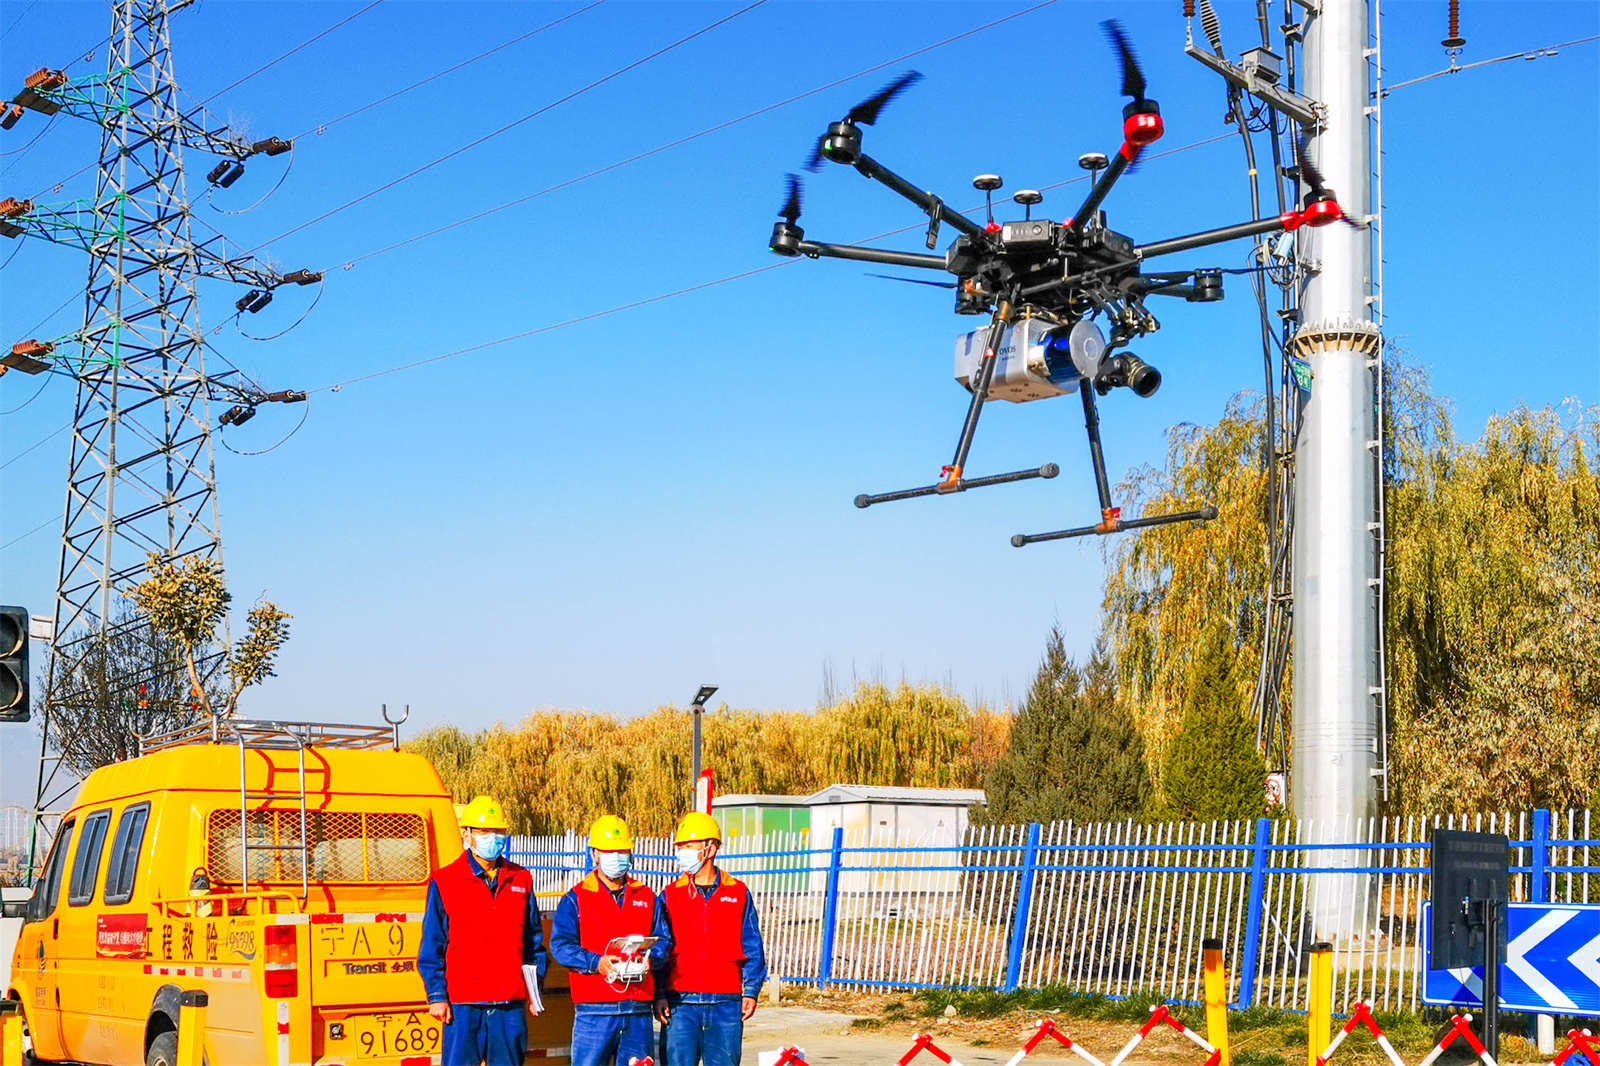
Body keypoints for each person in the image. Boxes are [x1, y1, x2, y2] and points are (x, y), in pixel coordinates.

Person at [419, 795, 547, 1066]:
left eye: (498, 831)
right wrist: (437, 996)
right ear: (467, 834)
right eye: (484, 831)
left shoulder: (520, 879)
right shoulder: (445, 881)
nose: (493, 837)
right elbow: (433, 946)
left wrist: (534, 992)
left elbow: (533, 943)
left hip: (508, 1004)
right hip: (464, 1004)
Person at [550, 814, 672, 1065]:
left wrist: (653, 959)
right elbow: (561, 946)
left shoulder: (647, 897)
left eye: (622, 851)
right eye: (609, 851)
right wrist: (596, 962)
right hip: (594, 1010)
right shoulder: (576, 899)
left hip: (637, 1009)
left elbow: (664, 941)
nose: (616, 857)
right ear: (594, 854)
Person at [654, 811, 767, 1066]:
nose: (681, 852)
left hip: (726, 1002)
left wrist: (751, 991)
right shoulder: (670, 896)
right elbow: (660, 949)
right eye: (680, 846)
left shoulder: (737, 893)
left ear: (710, 848)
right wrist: (659, 994)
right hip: (680, 1002)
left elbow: (752, 945)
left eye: (688, 846)